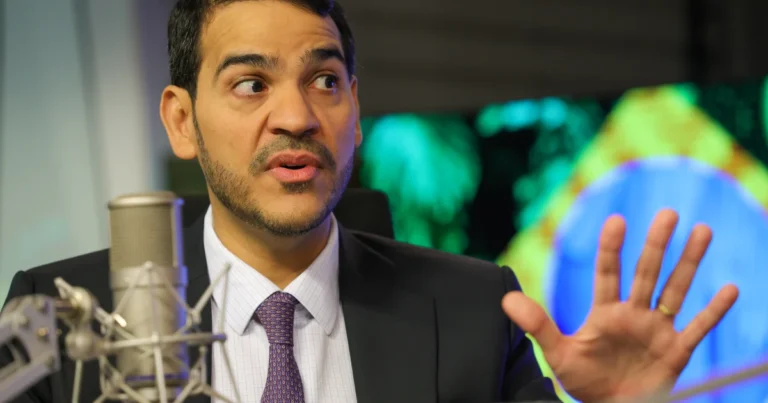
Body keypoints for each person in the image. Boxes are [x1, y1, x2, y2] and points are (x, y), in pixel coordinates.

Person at [1, 1, 739, 402]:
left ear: (356, 110)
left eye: (324, 81)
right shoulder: (60, 320)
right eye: (251, 84)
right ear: (181, 121)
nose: (297, 116)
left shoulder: (475, 312)